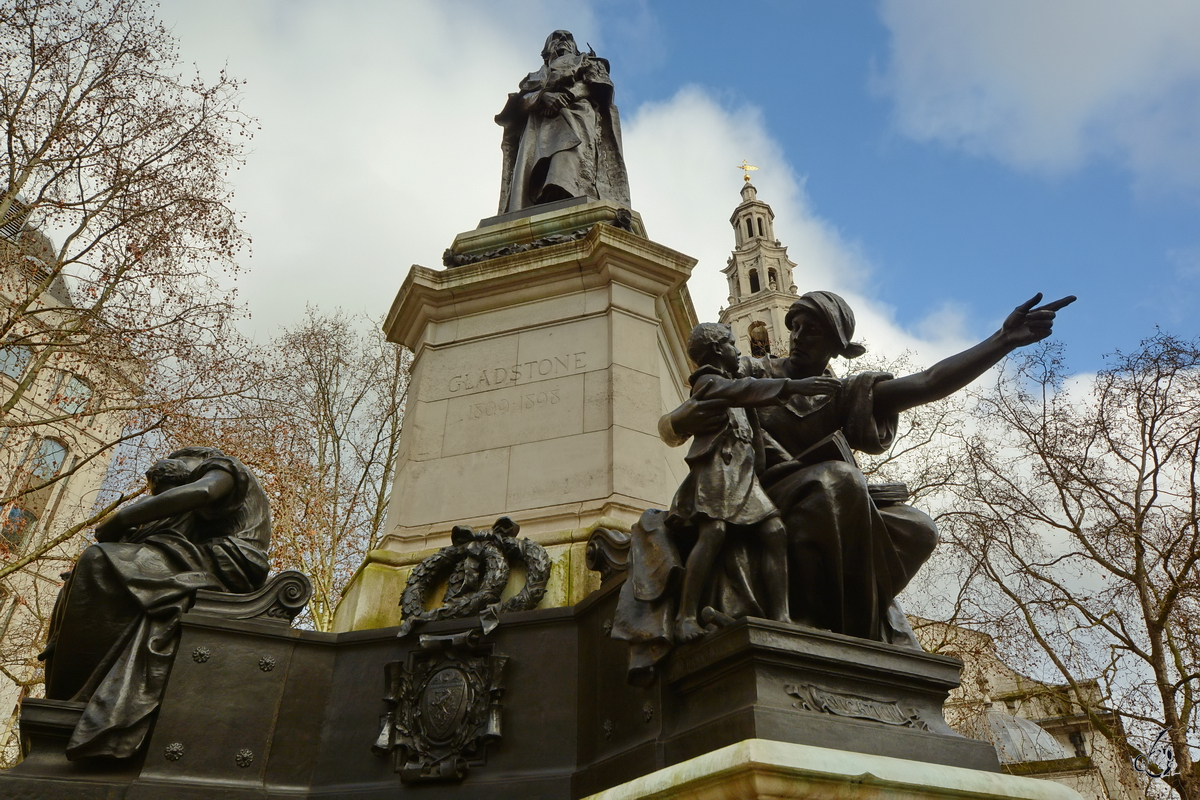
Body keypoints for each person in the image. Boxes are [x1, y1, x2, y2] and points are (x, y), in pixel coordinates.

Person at [630, 290, 1074, 666]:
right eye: (796, 326)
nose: (800, 337)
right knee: (838, 482)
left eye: (814, 330)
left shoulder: (847, 394)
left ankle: (847, 629)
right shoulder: (752, 373)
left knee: (916, 527)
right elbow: (687, 413)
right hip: (755, 493)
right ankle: (848, 636)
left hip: (822, 504)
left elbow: (930, 382)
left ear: (839, 344)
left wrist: (1002, 341)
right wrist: (681, 419)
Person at [39, 446, 271, 759]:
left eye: (168, 486)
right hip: (194, 558)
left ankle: (78, 704)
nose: (162, 497)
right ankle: (71, 701)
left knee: (98, 562)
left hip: (226, 562)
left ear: (190, 462)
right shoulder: (191, 515)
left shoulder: (223, 468)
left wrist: (121, 518)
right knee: (87, 572)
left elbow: (201, 492)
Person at [668, 322, 839, 642]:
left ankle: (782, 616)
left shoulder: (735, 383)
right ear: (718, 350)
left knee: (775, 531)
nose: (738, 350)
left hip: (745, 475)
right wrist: (792, 387)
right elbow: (743, 391)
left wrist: (793, 466)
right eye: (732, 344)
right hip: (718, 470)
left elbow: (757, 437)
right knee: (714, 533)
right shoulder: (708, 382)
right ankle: (685, 616)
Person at [495, 30, 630, 214]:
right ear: (545, 50)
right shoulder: (533, 77)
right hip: (538, 125)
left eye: (568, 38)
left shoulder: (586, 61)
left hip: (576, 114)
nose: (563, 41)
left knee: (567, 155)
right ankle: (539, 201)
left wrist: (567, 95)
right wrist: (542, 97)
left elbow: (598, 85)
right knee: (537, 164)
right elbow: (519, 102)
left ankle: (562, 194)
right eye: (557, 38)